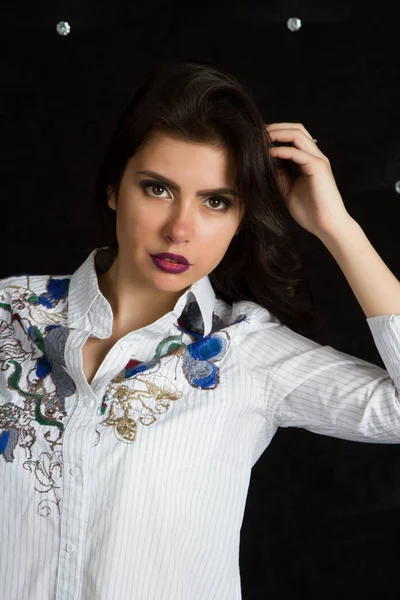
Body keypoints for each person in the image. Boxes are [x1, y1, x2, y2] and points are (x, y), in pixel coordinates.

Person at [1, 59, 400, 600]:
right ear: (115, 189)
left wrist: (338, 227)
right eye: (158, 189)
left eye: (216, 201)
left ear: (241, 218)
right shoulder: (8, 314)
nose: (180, 228)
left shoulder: (246, 353)